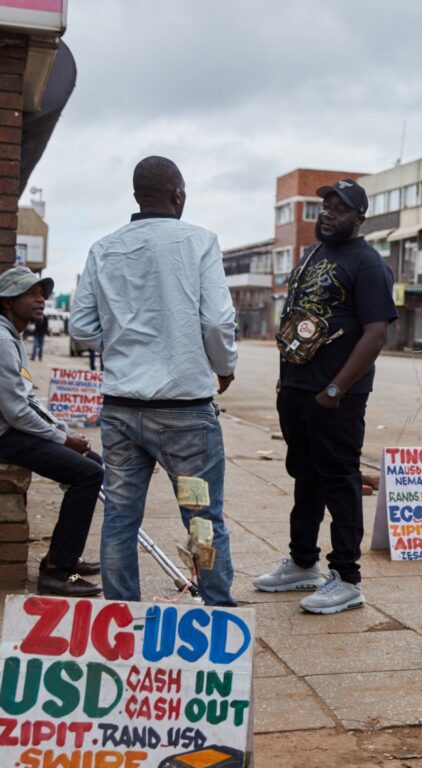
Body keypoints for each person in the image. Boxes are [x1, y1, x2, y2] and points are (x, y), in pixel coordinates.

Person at [70, 156, 238, 606]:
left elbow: (82, 329)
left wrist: (126, 339)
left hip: (122, 411)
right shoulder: (200, 242)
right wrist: (224, 367)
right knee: (202, 517)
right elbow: (218, 323)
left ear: (137, 196)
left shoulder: (103, 249)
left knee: (121, 519)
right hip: (185, 415)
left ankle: (123, 615)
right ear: (178, 194)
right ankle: (218, 613)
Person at [252, 179, 397, 615]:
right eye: (325, 206)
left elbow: (376, 333)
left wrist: (336, 389)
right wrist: (286, 382)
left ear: (360, 217)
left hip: (336, 395)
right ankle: (302, 563)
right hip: (296, 389)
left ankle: (347, 578)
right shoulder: (311, 254)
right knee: (305, 476)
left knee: (340, 479)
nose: (328, 214)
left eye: (339, 208)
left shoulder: (369, 263)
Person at [0, 267, 102, 596]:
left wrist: (59, 428)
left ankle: (64, 554)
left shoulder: (12, 336)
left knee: (92, 461)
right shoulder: (2, 340)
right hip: (4, 436)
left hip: (11, 430)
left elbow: (26, 397)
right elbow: (16, 411)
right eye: (31, 293)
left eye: (42, 292)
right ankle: (57, 572)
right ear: (7, 302)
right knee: (87, 474)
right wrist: (62, 439)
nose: (41, 299)